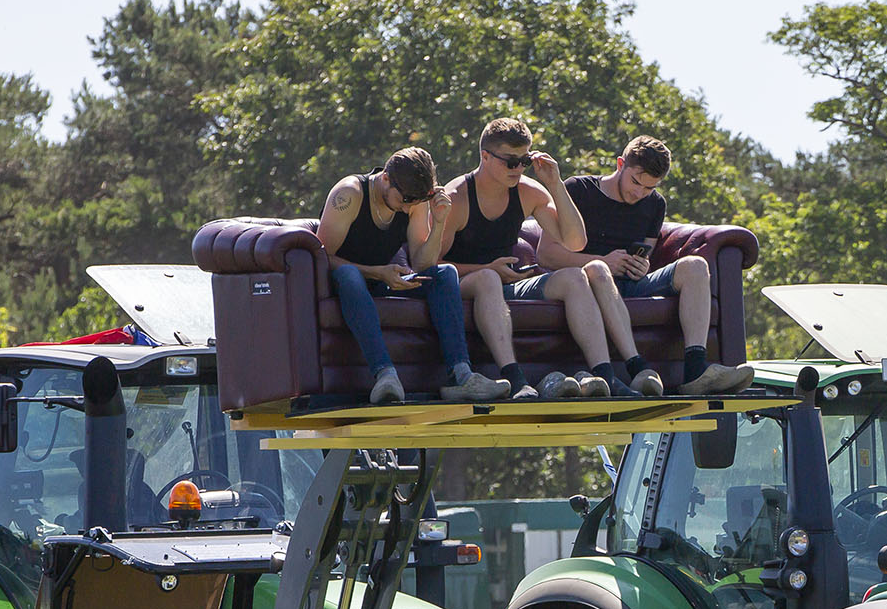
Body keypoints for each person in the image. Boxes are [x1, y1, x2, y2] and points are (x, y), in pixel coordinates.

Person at [533, 134, 755, 397]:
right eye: (635, 182)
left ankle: (696, 370)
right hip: (586, 285)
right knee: (599, 270)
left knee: (695, 265)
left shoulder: (655, 204)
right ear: (620, 164)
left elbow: (646, 254)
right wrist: (603, 261)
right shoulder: (578, 189)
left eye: (649, 188)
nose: (639, 193)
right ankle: (637, 366)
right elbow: (545, 255)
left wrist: (642, 266)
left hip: (631, 284)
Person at [313, 148, 508, 405]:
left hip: (382, 280)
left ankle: (462, 376)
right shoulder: (349, 194)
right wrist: (377, 272)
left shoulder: (413, 201)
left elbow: (422, 263)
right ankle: (385, 375)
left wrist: (439, 222)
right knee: (349, 275)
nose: (407, 208)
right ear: (386, 178)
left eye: (415, 201)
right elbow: (321, 258)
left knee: (444, 273)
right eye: (404, 199)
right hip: (344, 282)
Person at [437, 117, 611, 400]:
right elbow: (431, 265)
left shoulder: (529, 191)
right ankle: (516, 380)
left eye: (524, 161)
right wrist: (486, 268)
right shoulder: (457, 197)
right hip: (465, 283)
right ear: (485, 156)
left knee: (575, 276)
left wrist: (555, 184)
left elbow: (575, 243)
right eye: (510, 162)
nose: (518, 169)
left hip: (508, 283)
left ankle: (605, 376)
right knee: (487, 279)